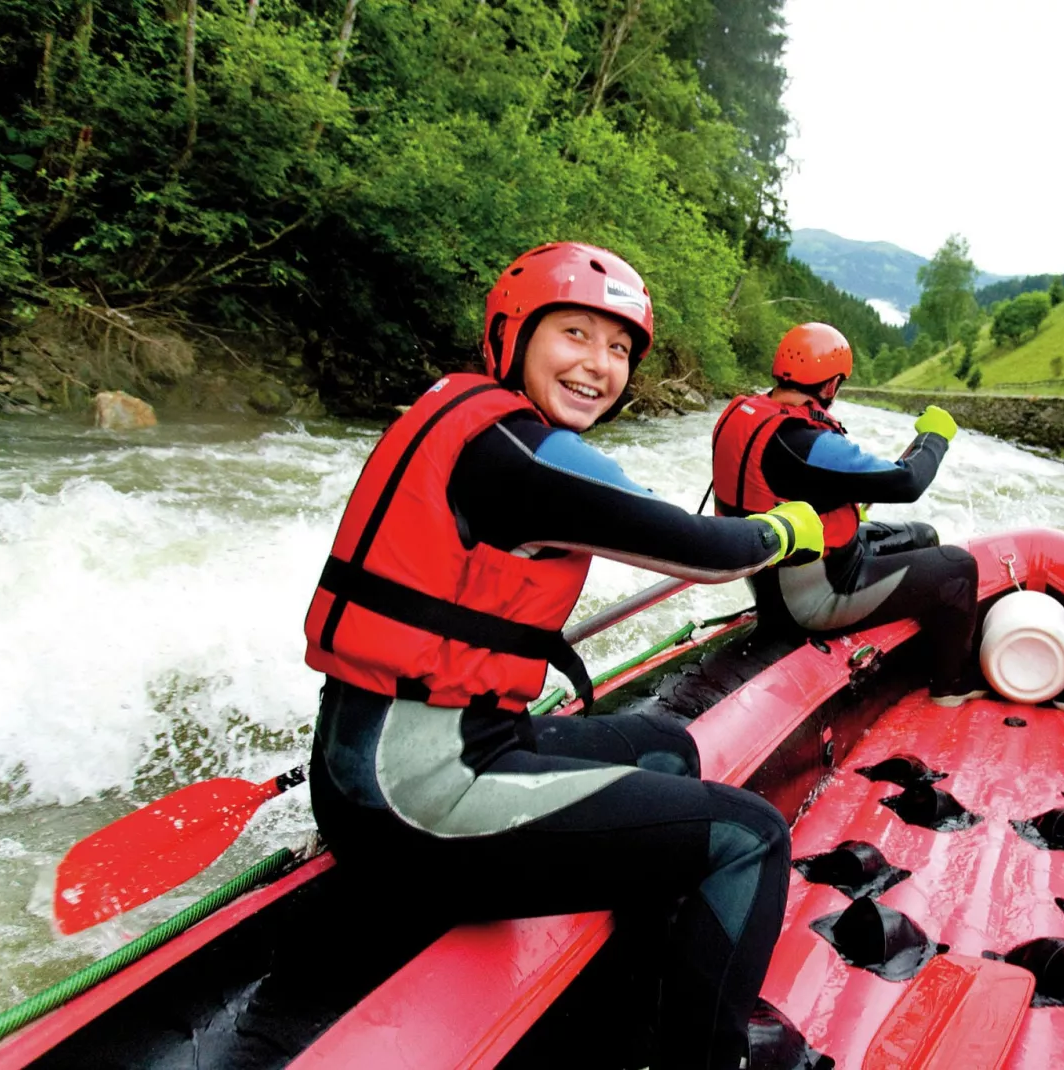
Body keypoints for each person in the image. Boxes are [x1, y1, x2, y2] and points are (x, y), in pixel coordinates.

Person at [303, 241, 826, 1070]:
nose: (599, 365)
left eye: (619, 348)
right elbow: (706, 549)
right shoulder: (517, 453)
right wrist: (788, 526)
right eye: (575, 334)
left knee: (669, 749)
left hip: (419, 747)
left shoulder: (480, 424)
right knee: (750, 837)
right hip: (415, 792)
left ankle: (650, 991)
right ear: (512, 334)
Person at [708, 321, 984, 707]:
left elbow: (811, 484)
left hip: (777, 579)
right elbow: (907, 483)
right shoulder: (804, 442)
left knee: (923, 535)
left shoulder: (749, 413)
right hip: (812, 599)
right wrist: (933, 438)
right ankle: (950, 686)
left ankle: (921, 647)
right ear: (830, 385)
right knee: (959, 569)